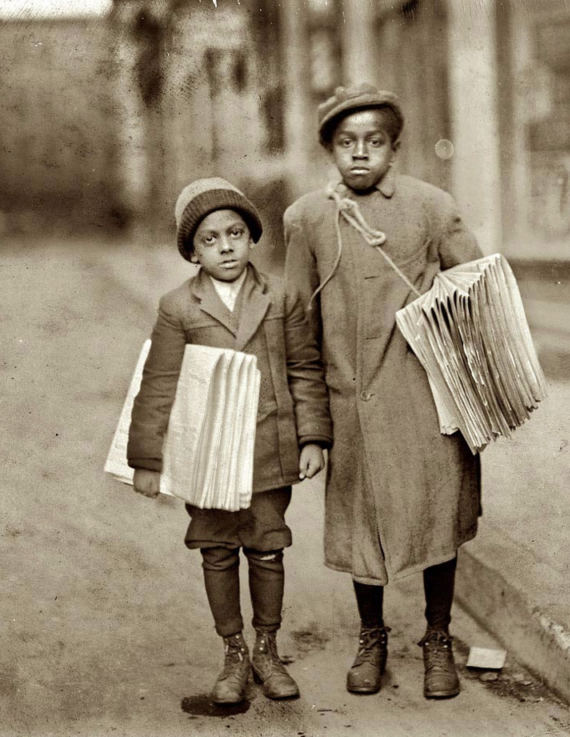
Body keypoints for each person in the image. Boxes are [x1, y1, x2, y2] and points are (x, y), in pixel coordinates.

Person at [283, 84, 483, 700]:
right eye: (347, 144)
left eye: (374, 142)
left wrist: (475, 377)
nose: (360, 154)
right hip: (351, 406)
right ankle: (372, 637)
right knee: (361, 527)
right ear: (330, 151)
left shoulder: (430, 206)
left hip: (427, 401)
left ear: (395, 149)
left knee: (435, 521)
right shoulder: (309, 218)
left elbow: (476, 288)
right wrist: (312, 425)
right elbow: (297, 324)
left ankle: (438, 637)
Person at [127, 177, 332, 705]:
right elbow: (159, 384)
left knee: (267, 548)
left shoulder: (281, 295)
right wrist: (147, 460)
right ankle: (234, 653)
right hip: (207, 454)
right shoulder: (178, 306)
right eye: (210, 239)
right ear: (192, 251)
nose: (225, 247)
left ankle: (267, 648)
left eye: (235, 233)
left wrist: (313, 437)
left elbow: (305, 368)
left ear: (251, 237)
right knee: (217, 550)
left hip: (268, 448)